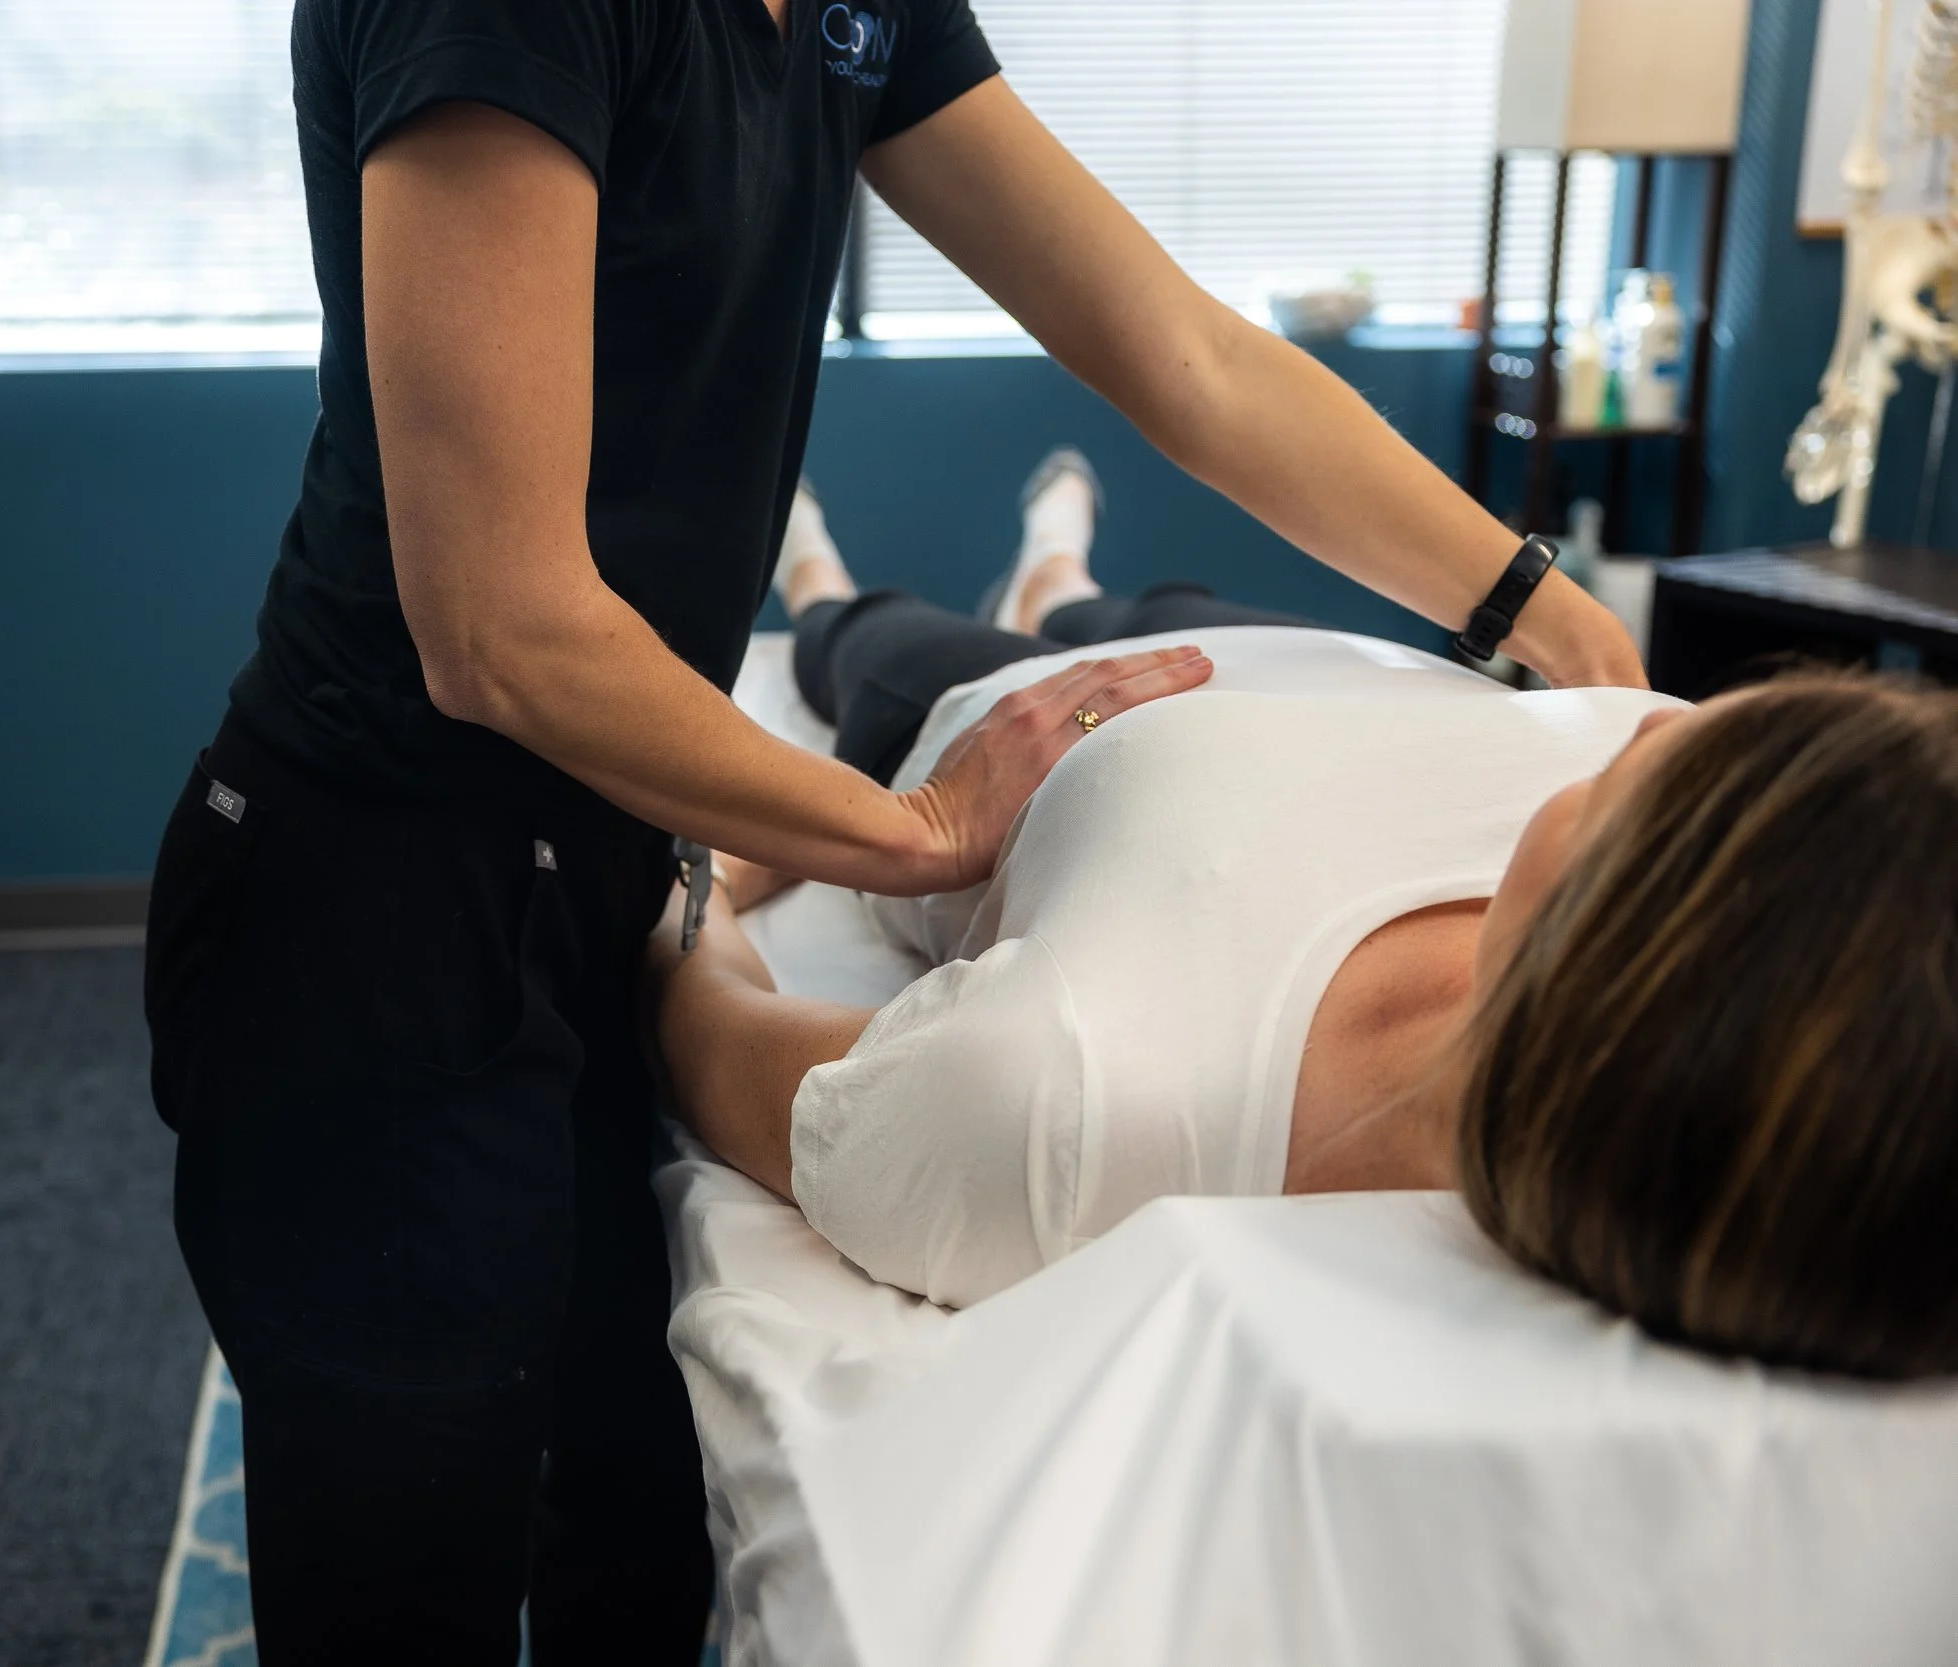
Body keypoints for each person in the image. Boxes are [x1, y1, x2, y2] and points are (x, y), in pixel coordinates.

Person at [144, 2, 1650, 1660]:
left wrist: (1533, 605)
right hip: (377, 904)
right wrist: (907, 826)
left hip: (603, 859)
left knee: (634, 1522)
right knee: (409, 1575)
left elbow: (1181, 352)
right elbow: (497, 628)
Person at [652, 467, 1958, 1382]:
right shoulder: (1601, 834)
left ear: (1652, 920)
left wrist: (729, 856)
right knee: (1117, 599)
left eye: (1695, 753)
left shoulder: (1072, 1087)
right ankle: (1059, 565)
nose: (1670, 715)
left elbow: (709, 1028)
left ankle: (819, 562)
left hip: (1040, 718)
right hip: (1312, 670)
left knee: (859, 638)